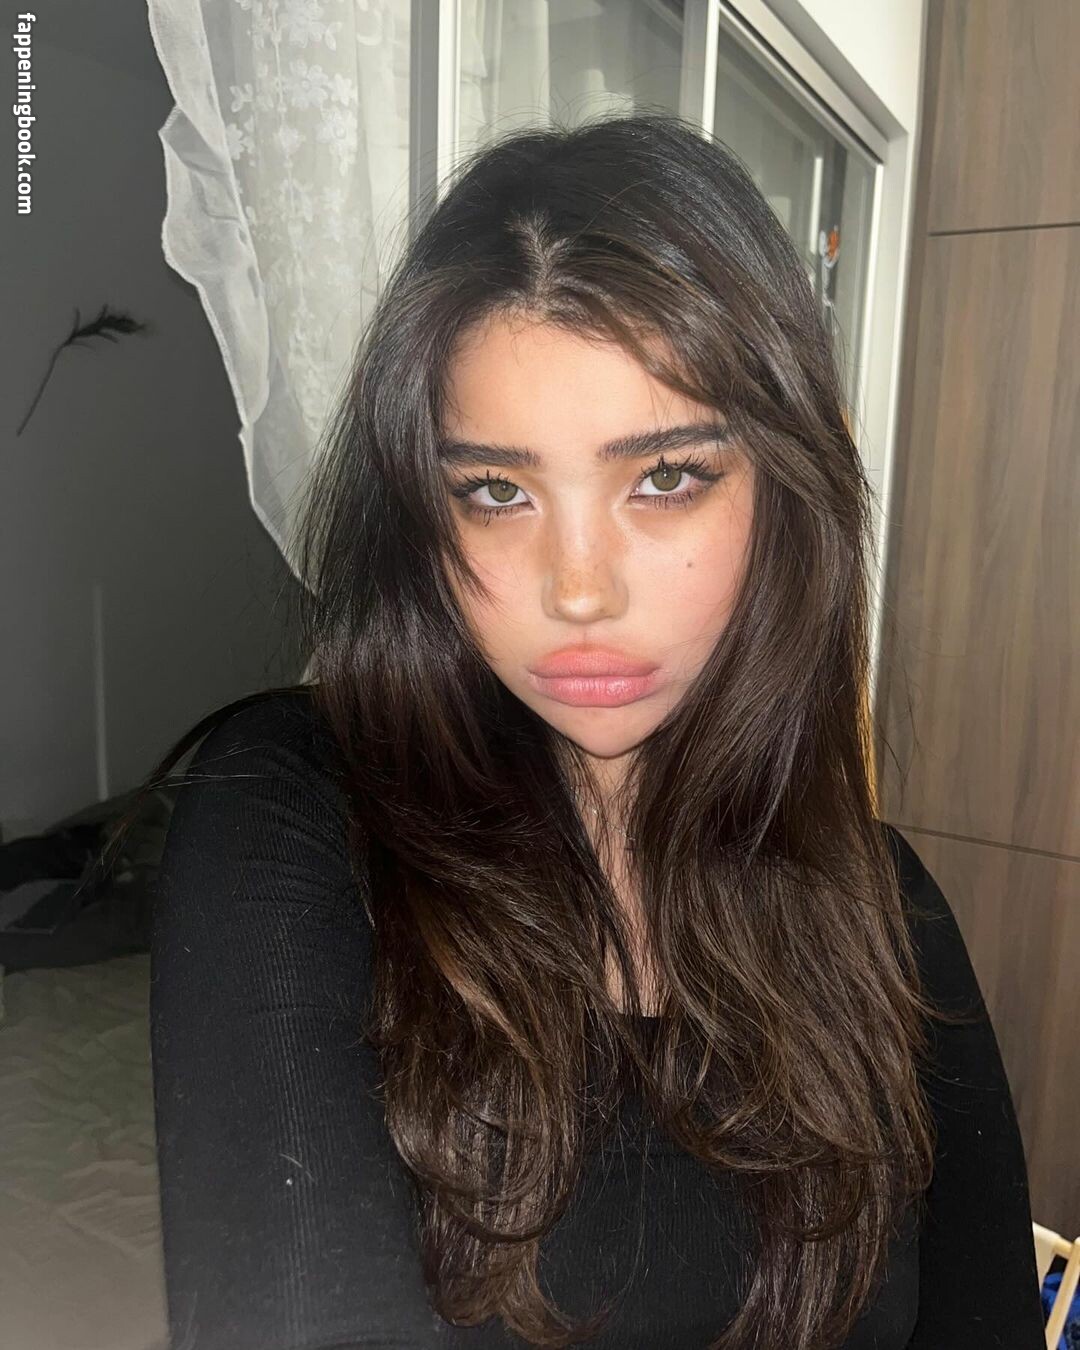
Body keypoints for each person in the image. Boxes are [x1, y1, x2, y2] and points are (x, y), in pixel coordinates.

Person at [107, 112, 1045, 1348]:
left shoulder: (889, 910)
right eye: (497, 492)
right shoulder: (298, 818)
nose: (579, 590)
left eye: (665, 478)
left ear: (784, 494)